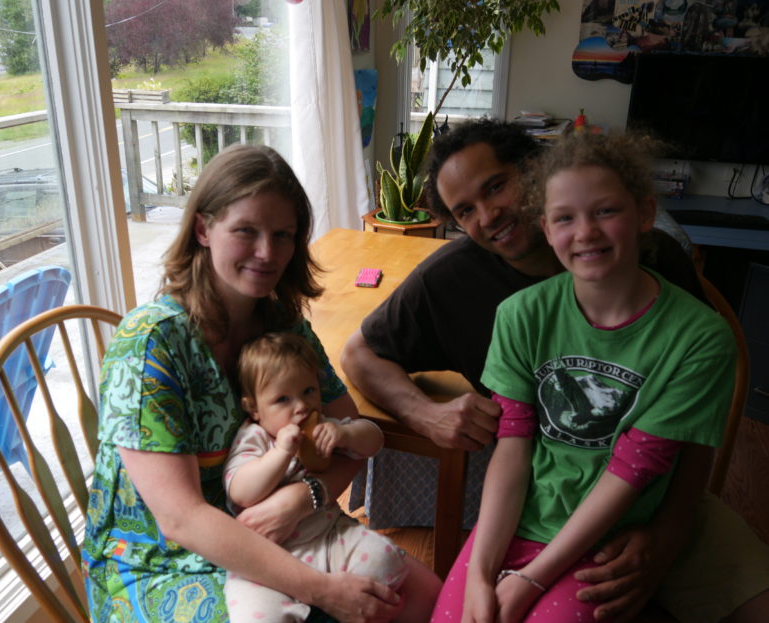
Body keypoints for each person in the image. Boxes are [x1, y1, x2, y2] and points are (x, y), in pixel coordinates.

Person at [341, 118, 769, 623]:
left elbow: (693, 437)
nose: (488, 215)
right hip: (541, 494)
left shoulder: (657, 263)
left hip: (662, 492)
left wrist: (665, 539)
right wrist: (424, 415)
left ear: (534, 172)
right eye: (465, 211)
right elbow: (358, 354)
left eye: (496, 186)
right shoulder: (465, 286)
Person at [81, 143, 438, 623]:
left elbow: (350, 432)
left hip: (285, 530)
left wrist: (300, 498)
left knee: (428, 595)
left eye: (283, 235)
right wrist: (325, 591)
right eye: (246, 231)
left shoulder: (283, 324)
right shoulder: (150, 345)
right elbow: (181, 518)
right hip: (162, 562)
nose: (268, 253)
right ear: (204, 229)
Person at [430, 131, 736, 622]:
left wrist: (530, 580)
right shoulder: (519, 315)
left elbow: (634, 470)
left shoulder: (701, 338)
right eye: (565, 218)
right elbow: (513, 447)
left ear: (644, 214)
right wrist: (483, 574)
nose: (586, 232)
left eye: (606, 211)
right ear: (546, 230)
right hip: (515, 524)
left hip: (604, 538)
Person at [223, 332, 437, 622]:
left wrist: (346, 434)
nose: (301, 406)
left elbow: (374, 440)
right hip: (266, 557)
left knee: (384, 558)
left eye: (309, 391)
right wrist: (281, 453)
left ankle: (341, 602)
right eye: (282, 399)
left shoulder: (323, 427)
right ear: (254, 409)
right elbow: (241, 492)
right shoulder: (257, 439)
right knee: (254, 616)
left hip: (327, 534)